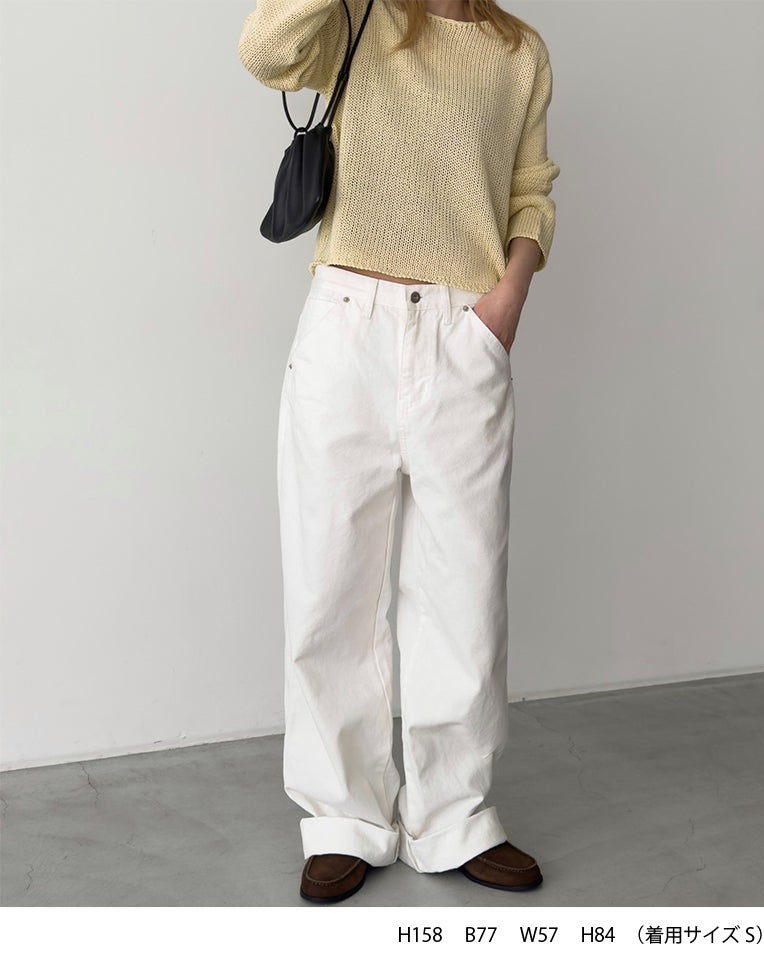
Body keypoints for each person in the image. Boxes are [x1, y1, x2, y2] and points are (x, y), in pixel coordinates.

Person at [238, 0, 560, 903]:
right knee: (329, 588)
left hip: (465, 334)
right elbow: (265, 51)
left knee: (464, 592)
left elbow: (531, 191)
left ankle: (453, 815)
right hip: (347, 329)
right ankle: (343, 818)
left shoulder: (519, 52)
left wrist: (505, 304)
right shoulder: (357, 15)